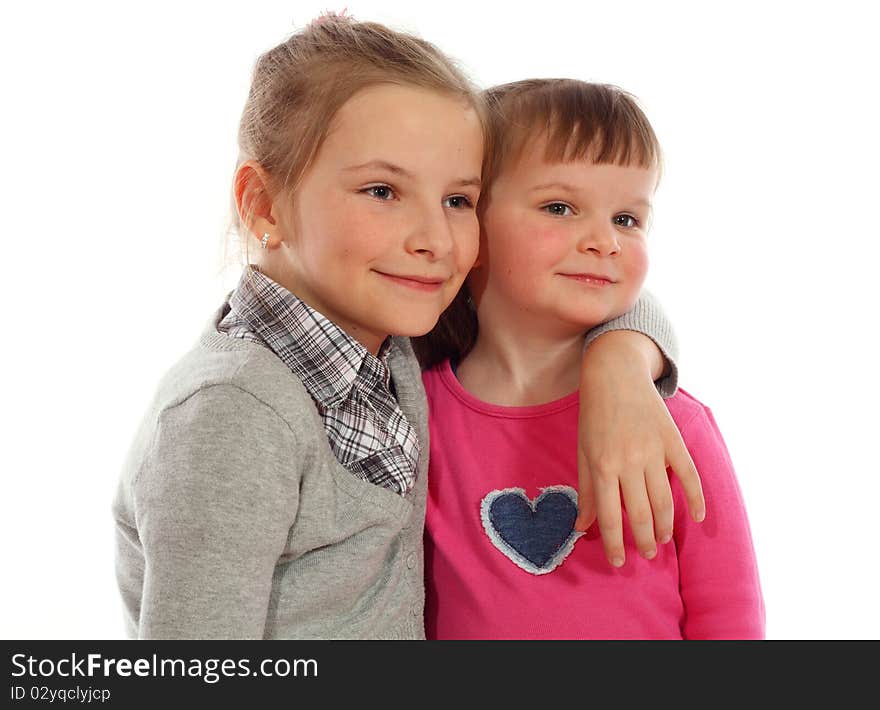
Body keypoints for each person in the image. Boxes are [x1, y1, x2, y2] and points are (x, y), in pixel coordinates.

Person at [113, 15, 694, 640]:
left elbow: (579, 284)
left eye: (458, 201)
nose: (435, 240)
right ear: (264, 205)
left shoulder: (393, 346)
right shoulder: (234, 415)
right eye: (382, 191)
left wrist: (622, 363)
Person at [422, 79, 765, 639]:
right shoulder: (414, 414)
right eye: (560, 207)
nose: (605, 241)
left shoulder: (673, 427)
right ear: (470, 217)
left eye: (627, 219)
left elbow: (728, 612)